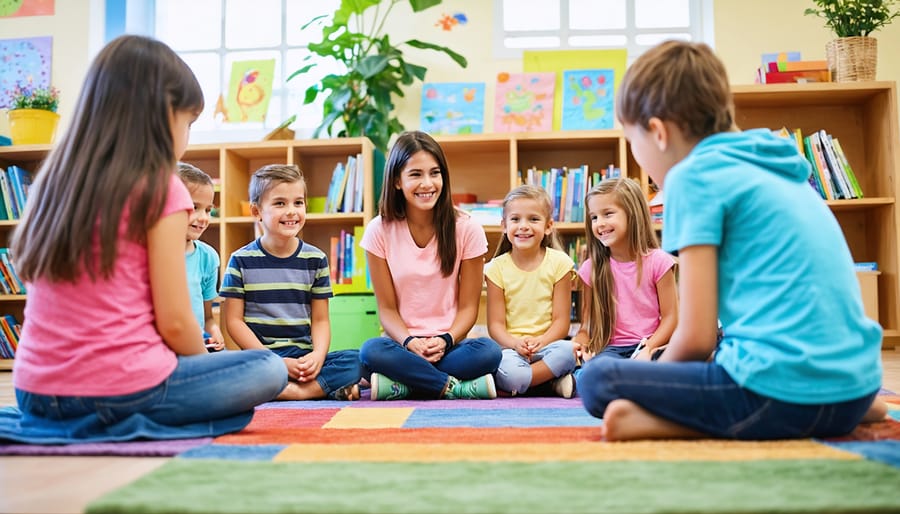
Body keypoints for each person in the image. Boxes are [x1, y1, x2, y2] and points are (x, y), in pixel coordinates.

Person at [579, 40, 887, 441]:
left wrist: (656, 384)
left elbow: (696, 337)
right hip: (855, 386)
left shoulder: (693, 178)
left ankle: (659, 423)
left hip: (776, 394)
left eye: (633, 143)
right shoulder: (776, 166)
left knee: (597, 378)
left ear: (657, 132)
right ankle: (838, 408)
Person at [0, 35, 286, 444]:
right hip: (121, 391)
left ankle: (94, 422)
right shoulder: (161, 188)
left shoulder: (53, 183)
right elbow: (173, 320)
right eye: (187, 123)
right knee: (266, 368)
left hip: (35, 393)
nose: (187, 136)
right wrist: (199, 371)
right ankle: (124, 422)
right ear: (159, 114)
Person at [359, 131, 502, 400]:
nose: (427, 183)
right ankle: (452, 387)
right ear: (397, 182)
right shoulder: (378, 230)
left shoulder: (467, 228)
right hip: (402, 345)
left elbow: (469, 308)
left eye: (434, 173)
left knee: (490, 352)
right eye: (415, 174)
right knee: (370, 351)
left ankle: (405, 384)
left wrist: (446, 339)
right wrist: (410, 342)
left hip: (450, 345)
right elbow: (387, 310)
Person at [220, 164, 363, 401]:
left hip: (302, 357)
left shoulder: (316, 259)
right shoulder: (240, 260)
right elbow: (233, 321)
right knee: (225, 368)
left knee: (357, 360)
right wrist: (272, 359)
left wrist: (317, 356)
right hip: (261, 357)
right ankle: (321, 389)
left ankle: (295, 392)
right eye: (279, 203)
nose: (291, 211)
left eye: (298, 203)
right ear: (256, 212)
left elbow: (320, 319)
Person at [571, 178, 677, 374]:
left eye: (608, 214)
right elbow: (587, 325)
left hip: (652, 344)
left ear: (632, 214)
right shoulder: (590, 269)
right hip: (612, 351)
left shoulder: (659, 261)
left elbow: (671, 318)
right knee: (591, 374)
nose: (599, 224)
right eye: (594, 217)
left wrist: (649, 348)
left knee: (679, 363)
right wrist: (580, 344)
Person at [485, 185, 577, 398]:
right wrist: (516, 344)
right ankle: (551, 383)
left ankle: (523, 384)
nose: (523, 226)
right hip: (511, 349)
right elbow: (495, 325)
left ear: (548, 226)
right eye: (515, 219)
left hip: (548, 347)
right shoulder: (496, 268)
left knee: (568, 352)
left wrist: (541, 342)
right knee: (505, 367)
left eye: (533, 219)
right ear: (504, 226)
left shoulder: (560, 263)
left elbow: (561, 322)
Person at [176, 162, 224, 352]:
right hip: (167, 349)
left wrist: (214, 331)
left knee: (268, 364)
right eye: (194, 207)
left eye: (207, 210)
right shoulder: (149, 255)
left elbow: (208, 317)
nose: (203, 217)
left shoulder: (208, 257)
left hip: (200, 344)